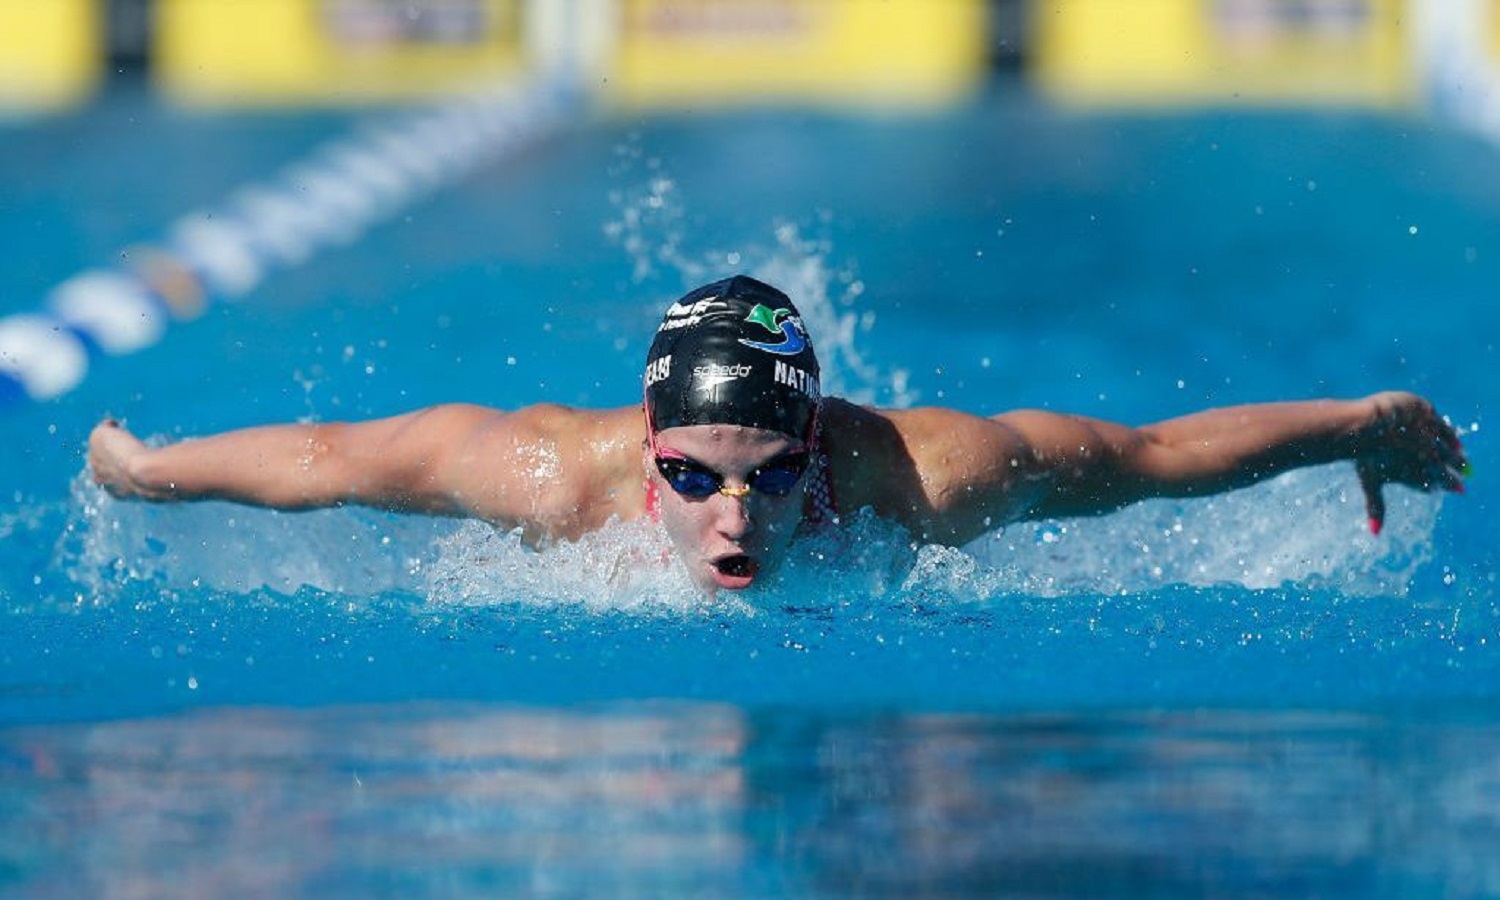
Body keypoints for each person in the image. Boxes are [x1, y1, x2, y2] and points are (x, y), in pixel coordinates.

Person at [89, 275, 1469, 594]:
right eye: (692, 480)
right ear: (647, 448)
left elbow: (1157, 455)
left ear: (821, 451)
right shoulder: (554, 478)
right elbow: (333, 462)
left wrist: (1354, 424)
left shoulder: (928, 478)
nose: (735, 523)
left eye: (770, 479)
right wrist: (145, 471)